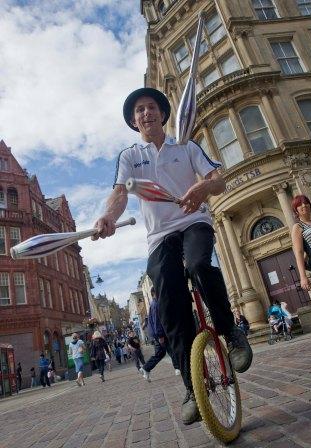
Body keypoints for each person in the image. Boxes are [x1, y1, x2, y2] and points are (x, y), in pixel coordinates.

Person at [92, 87, 253, 425]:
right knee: (169, 305)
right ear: (133, 121)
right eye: (139, 111)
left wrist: (202, 188)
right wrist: (107, 217)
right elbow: (120, 194)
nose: (145, 113)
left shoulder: (186, 146)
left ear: (162, 114)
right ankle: (191, 387)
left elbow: (218, 180)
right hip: (159, 237)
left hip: (194, 222)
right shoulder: (129, 157)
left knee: (198, 265)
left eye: (151, 107)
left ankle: (231, 333)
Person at [139, 287, 180, 382]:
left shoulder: (154, 303)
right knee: (171, 349)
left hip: (156, 334)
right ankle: (178, 368)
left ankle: (146, 368)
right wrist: (161, 335)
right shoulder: (156, 304)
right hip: (160, 334)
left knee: (160, 353)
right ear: (155, 293)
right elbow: (157, 321)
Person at [291, 194, 311, 290]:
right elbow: (299, 252)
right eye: (300, 204)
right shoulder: (298, 227)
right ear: (296, 210)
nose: (304, 205)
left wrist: (306, 257)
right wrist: (303, 277)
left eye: (306, 203)